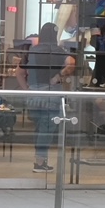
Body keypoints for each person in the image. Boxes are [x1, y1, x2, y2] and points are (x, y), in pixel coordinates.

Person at [23, 22, 71, 171]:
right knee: (47, 129)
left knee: (39, 128)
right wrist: (59, 75)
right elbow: (71, 64)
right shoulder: (59, 51)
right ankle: (40, 161)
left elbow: (22, 71)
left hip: (33, 95)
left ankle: (39, 160)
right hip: (51, 95)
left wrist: (27, 89)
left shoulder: (33, 50)